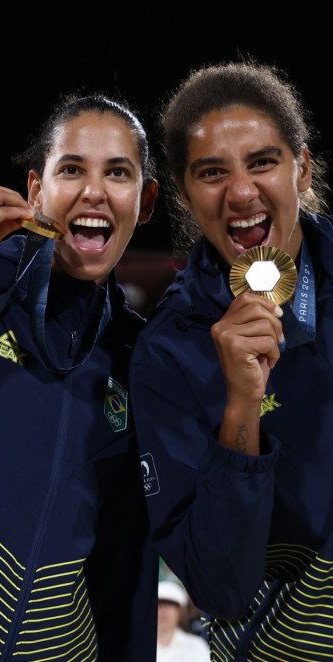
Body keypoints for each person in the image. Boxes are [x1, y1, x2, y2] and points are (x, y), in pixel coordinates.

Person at [130, 60, 333, 661]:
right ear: (185, 194)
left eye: (263, 162)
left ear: (303, 167)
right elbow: (222, 589)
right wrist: (241, 407)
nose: (241, 192)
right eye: (212, 173)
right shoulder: (168, 353)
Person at [0, 94, 160, 661]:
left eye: (118, 172)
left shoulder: (137, 357)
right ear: (35, 192)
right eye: (72, 169)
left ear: (146, 199)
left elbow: (123, 567)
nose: (94, 192)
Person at [156, 581, 210, 661]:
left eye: (170, 605)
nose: (164, 610)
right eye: (159, 604)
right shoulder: (136, 644)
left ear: (180, 611)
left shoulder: (196, 646)